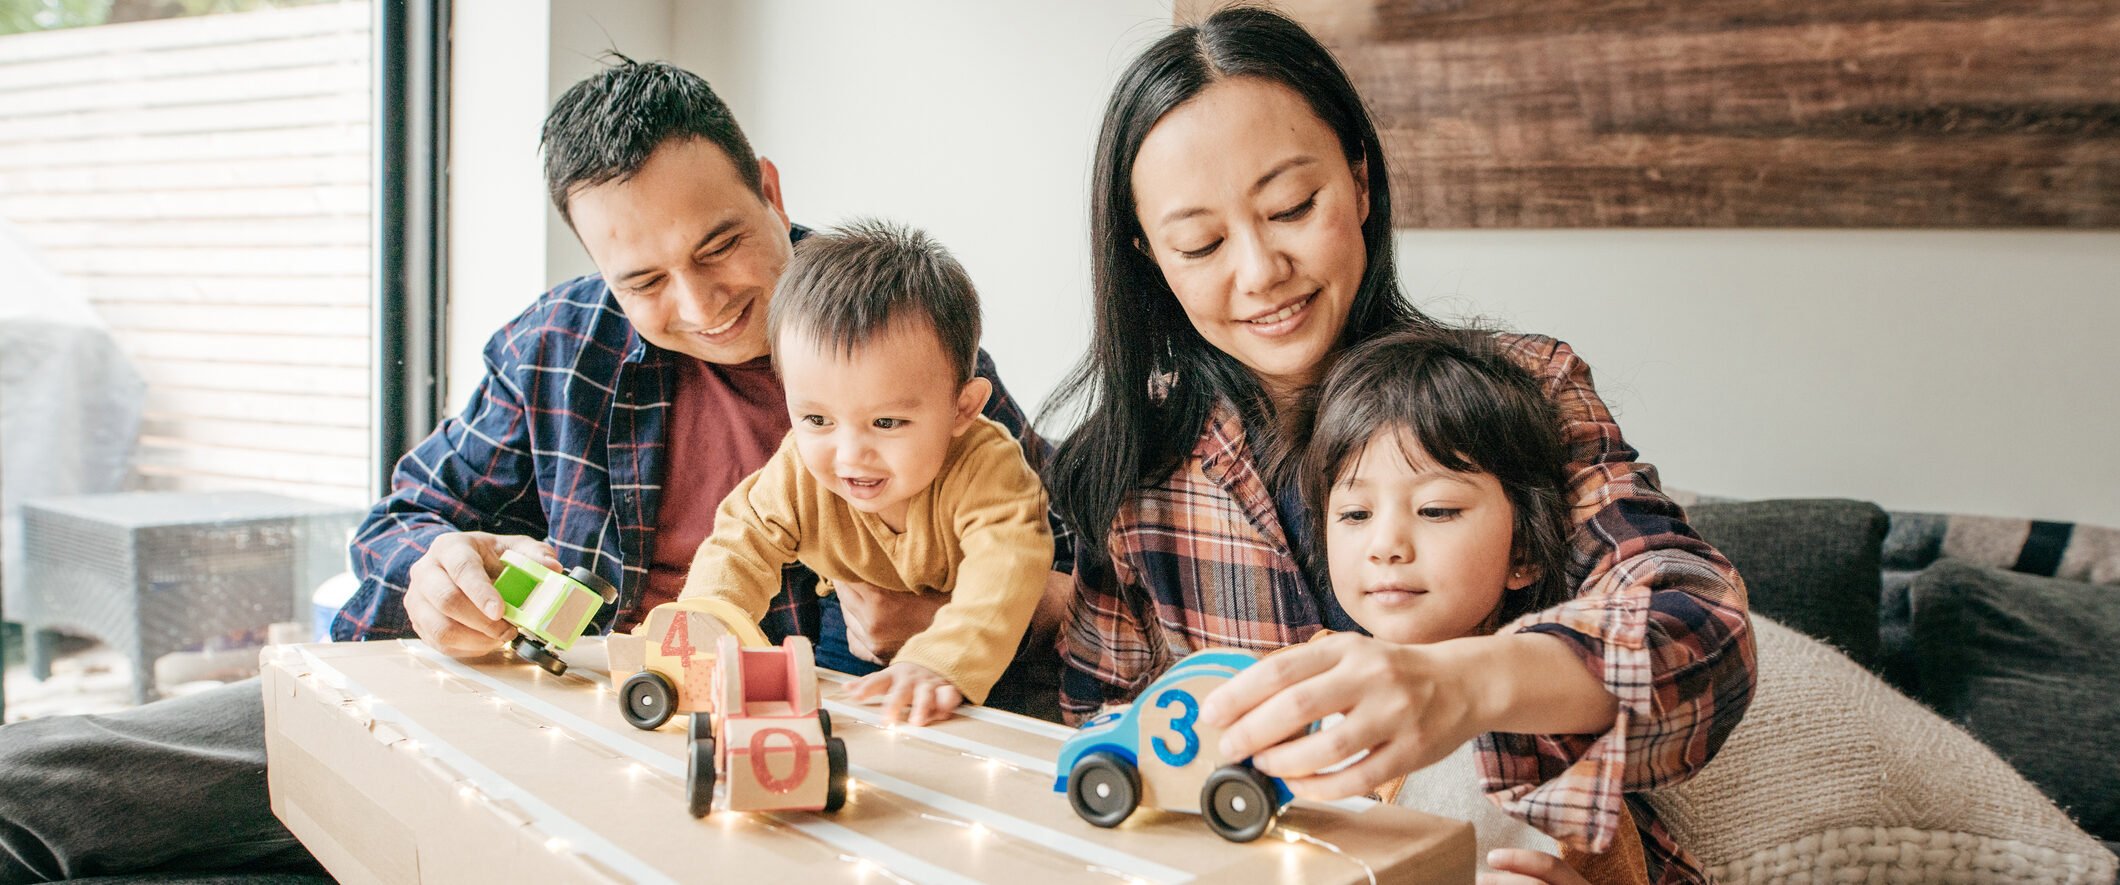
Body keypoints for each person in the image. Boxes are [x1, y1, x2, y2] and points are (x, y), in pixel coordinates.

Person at [0, 59, 1065, 883]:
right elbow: (401, 521)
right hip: (551, 704)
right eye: (644, 277)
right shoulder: (562, 347)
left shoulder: (901, 340)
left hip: (778, 763)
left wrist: (956, 620)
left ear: (770, 190)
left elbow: (1069, 579)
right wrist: (438, 571)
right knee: (45, 783)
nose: (698, 303)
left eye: (721, 243)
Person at [1044, 8, 1753, 883]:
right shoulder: (1131, 471)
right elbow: (1098, 736)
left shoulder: (1523, 391)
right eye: (1202, 242)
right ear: (1151, 257)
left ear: (1361, 184)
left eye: (1293, 206)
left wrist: (1464, 685)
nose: (1261, 270)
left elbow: (1706, 632)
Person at [1291, 326, 1646, 885]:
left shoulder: (1558, 732)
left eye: (1435, 510)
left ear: (1523, 552)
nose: (1386, 545)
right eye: (1356, 515)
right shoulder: (1295, 682)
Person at [682, 220, 1054, 725]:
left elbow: (1007, 567)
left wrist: (938, 662)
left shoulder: (987, 467)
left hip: (984, 648)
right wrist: (703, 624)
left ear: (962, 409)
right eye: (817, 420)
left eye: (886, 422)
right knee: (830, 723)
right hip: (850, 637)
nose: (850, 455)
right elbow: (739, 543)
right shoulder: (799, 472)